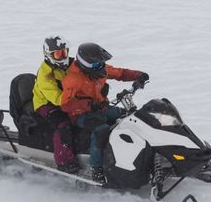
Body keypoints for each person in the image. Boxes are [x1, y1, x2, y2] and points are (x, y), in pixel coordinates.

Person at [61, 42, 149, 185]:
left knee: (130, 117)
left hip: (102, 108)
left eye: (102, 63)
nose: (101, 66)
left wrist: (138, 75)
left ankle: (138, 154)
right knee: (101, 130)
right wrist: (89, 105)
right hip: (81, 115)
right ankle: (96, 169)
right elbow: (66, 104)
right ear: (86, 63)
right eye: (97, 64)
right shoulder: (73, 79)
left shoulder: (98, 69)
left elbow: (120, 73)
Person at [32, 36, 77, 171]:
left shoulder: (70, 64)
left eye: (64, 52)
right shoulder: (45, 74)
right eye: (58, 54)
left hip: (67, 100)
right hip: (46, 104)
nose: (62, 56)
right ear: (48, 55)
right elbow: (58, 99)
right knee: (63, 125)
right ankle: (64, 162)